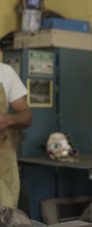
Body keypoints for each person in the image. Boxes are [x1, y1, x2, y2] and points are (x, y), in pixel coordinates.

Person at [0, 62, 32, 208]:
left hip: (3, 164)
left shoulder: (5, 72)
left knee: (5, 217)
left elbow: (27, 116)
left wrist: (9, 119)